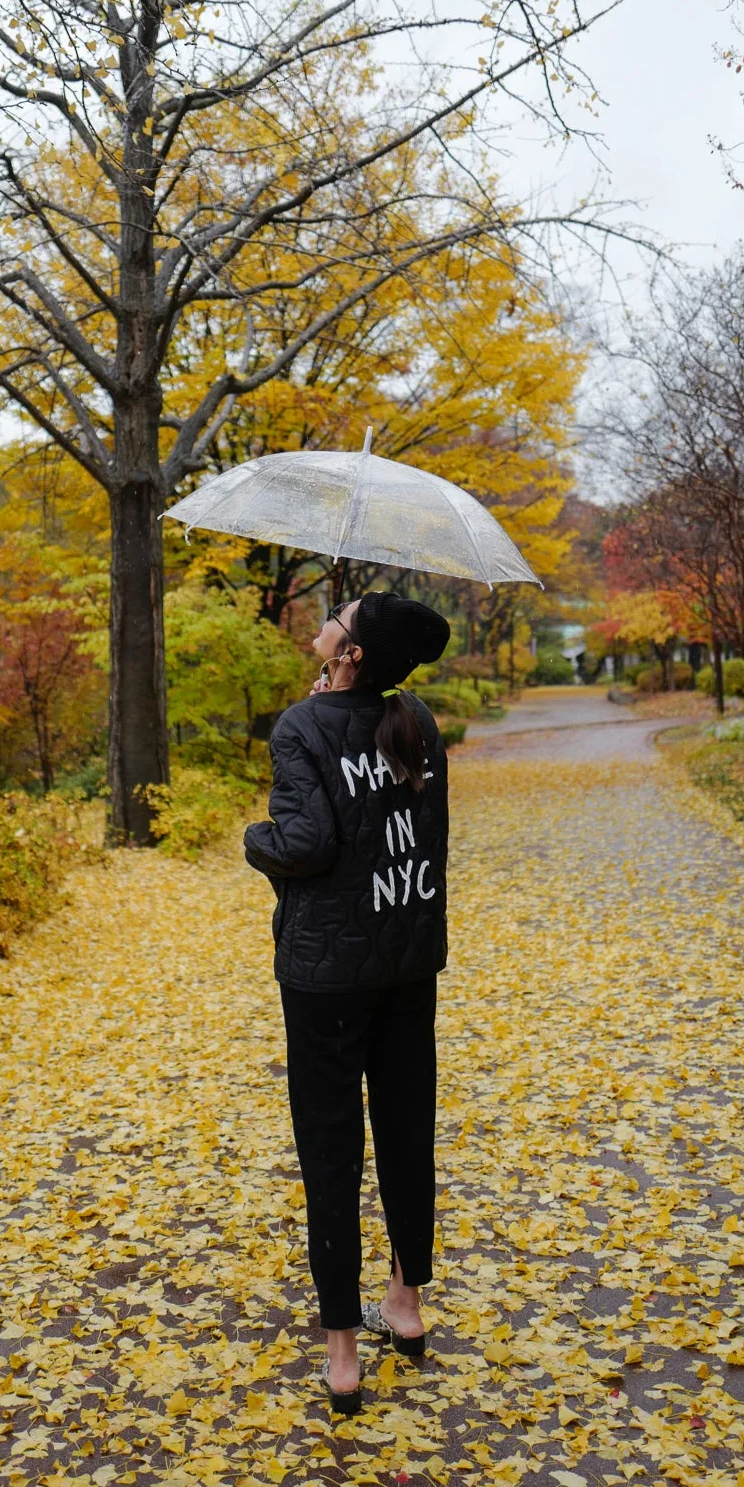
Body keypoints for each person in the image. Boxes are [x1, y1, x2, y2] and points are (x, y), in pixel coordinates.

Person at [243, 590, 451, 1416]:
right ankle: (402, 1305)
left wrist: (251, 840)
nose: (328, 615)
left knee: (330, 1152)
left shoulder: (301, 727)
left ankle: (341, 1358)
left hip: (325, 977)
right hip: (406, 964)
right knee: (406, 1132)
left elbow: (302, 845)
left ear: (351, 651)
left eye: (342, 614)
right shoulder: (418, 724)